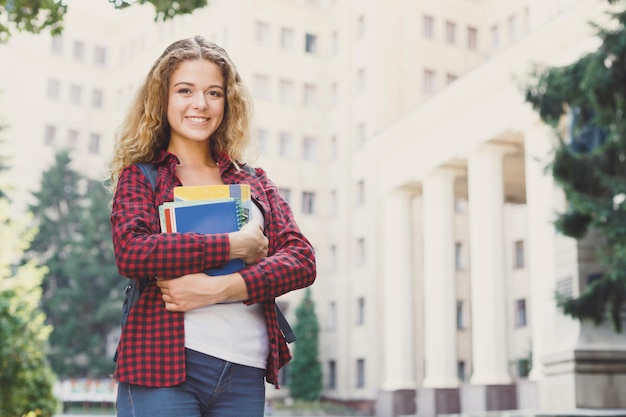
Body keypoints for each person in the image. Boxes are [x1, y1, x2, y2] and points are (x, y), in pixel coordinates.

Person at [108, 35, 316, 417]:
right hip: (163, 368)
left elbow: (302, 259)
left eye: (214, 93)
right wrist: (233, 246)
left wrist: (219, 288)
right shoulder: (142, 177)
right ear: (163, 99)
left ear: (227, 102)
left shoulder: (254, 181)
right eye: (185, 90)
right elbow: (132, 252)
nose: (200, 104)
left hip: (244, 370)